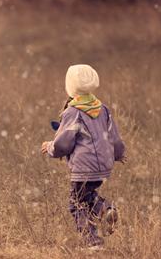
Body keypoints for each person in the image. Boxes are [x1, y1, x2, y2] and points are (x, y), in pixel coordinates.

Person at [41, 64, 125, 248]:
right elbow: (114, 137)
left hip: (83, 166)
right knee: (87, 196)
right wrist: (118, 154)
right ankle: (106, 209)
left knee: (76, 203)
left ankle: (93, 241)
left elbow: (64, 143)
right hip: (103, 166)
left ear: (69, 86)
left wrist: (50, 148)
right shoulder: (103, 109)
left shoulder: (73, 112)